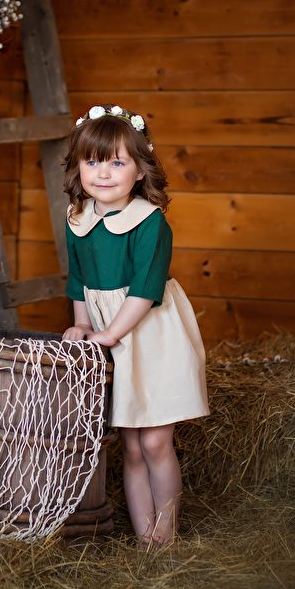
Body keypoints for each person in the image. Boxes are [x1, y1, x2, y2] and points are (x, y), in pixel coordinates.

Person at [62, 103, 209, 548]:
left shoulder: (149, 222)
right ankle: (146, 539)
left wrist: (109, 335)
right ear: (78, 167)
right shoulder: (77, 219)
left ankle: (166, 535)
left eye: (117, 163)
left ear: (140, 170)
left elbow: (146, 289)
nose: (103, 173)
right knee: (130, 446)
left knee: (155, 443)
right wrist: (82, 323)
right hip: (113, 338)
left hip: (152, 337)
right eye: (92, 162)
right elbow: (78, 278)